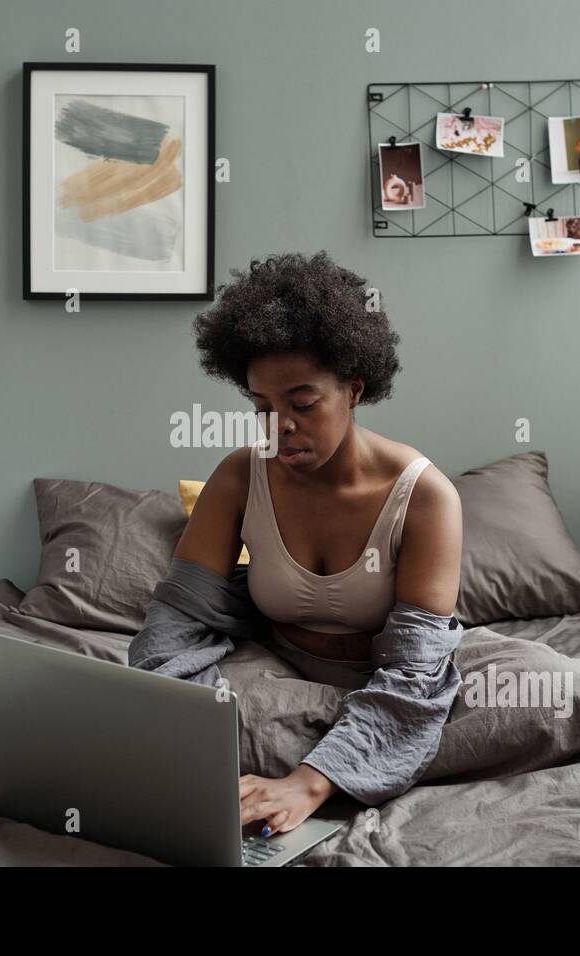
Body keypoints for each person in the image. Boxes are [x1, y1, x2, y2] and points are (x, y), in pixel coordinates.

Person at [128, 250, 464, 840]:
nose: (279, 426)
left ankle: (333, 766)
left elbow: (414, 675)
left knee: (544, 704)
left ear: (354, 389)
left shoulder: (425, 496)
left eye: (303, 404)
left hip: (391, 686)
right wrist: (184, 722)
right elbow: (176, 621)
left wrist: (308, 782)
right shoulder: (240, 475)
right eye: (262, 407)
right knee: (144, 715)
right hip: (272, 672)